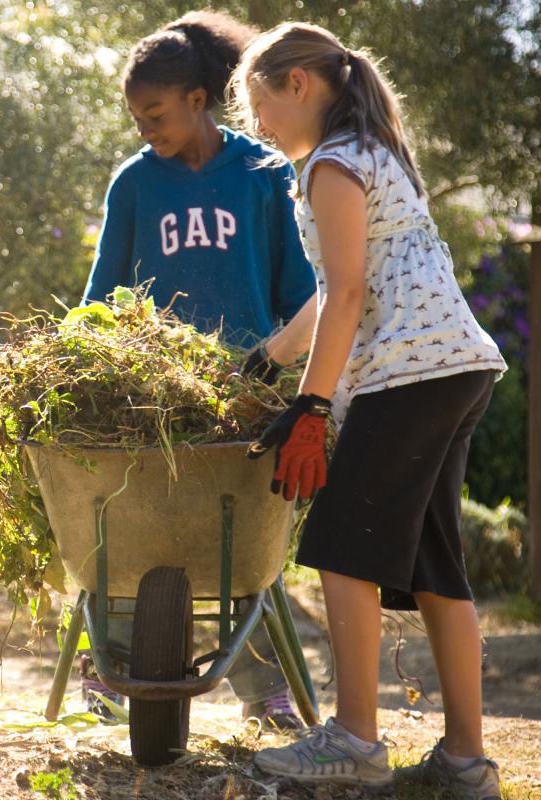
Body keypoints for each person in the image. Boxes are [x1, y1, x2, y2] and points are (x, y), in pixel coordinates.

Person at [233, 21, 507, 799]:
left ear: (298, 84)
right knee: (435, 567)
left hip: (407, 377)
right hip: (455, 369)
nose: (256, 125)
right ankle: (466, 762)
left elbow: (349, 293)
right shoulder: (369, 153)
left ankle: (354, 740)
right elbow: (336, 287)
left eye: (259, 105)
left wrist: (312, 409)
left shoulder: (330, 164)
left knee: (339, 548)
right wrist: (273, 358)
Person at [79, 9, 318, 732]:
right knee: (130, 530)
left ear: (196, 98)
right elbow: (105, 291)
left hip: (247, 391)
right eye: (135, 117)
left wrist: (298, 372)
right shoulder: (135, 184)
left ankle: (262, 690)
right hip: (152, 393)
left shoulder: (263, 173)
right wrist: (83, 357)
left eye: (155, 113)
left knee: (239, 545)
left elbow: (301, 289)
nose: (144, 128)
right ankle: (109, 670)